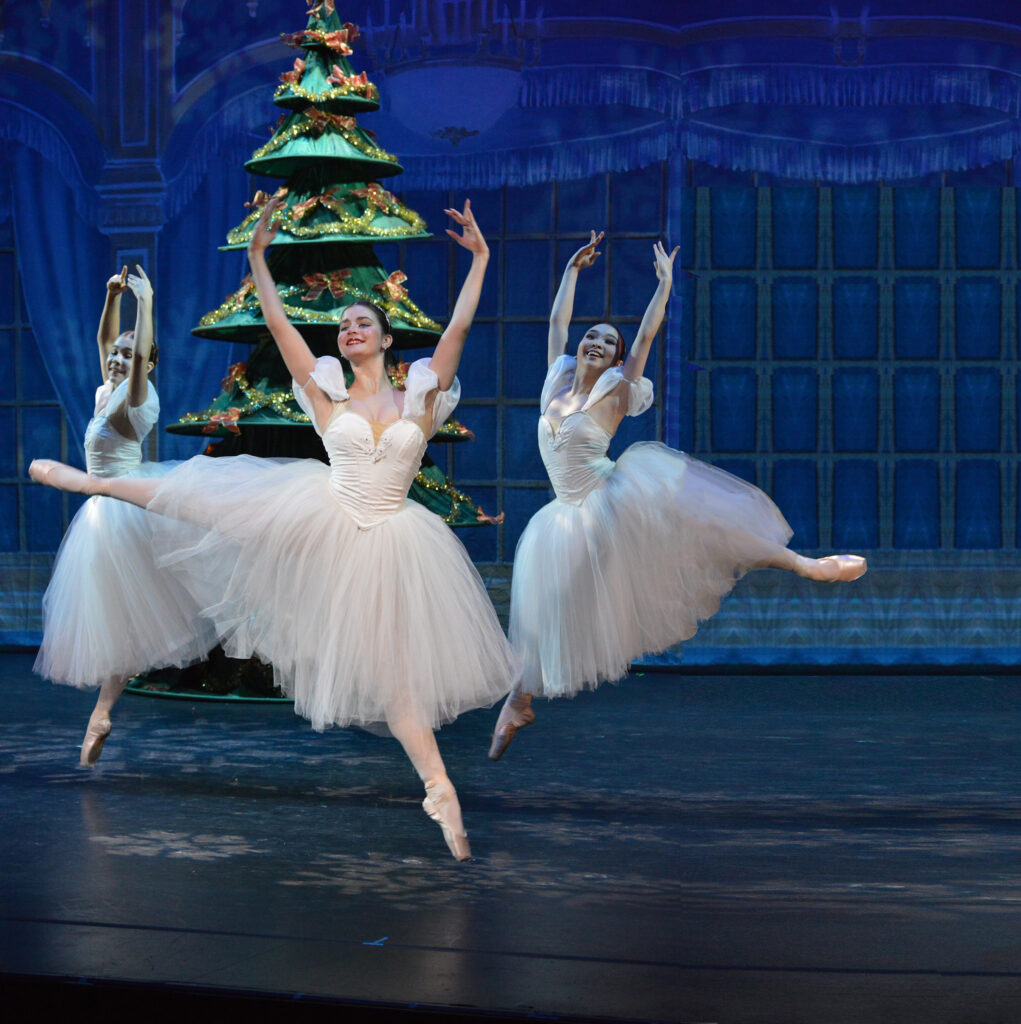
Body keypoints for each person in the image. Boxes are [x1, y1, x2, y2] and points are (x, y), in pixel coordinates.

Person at [31, 199, 518, 861]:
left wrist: (481, 260)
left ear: (384, 338)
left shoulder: (422, 396)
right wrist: (259, 260)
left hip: (393, 543)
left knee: (395, 681)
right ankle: (97, 483)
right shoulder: (325, 393)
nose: (348, 329)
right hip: (323, 515)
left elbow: (459, 329)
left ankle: (438, 789)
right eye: (343, 324)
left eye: (361, 322)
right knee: (204, 499)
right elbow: (281, 326)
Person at [489, 231, 866, 760]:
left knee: (711, 527)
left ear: (615, 357)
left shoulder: (618, 389)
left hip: (609, 498)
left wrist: (663, 287)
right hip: (564, 516)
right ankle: (519, 701)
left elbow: (644, 339)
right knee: (541, 609)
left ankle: (805, 564)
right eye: (590, 337)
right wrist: (572, 272)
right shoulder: (557, 378)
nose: (595, 343)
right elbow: (556, 323)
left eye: (606, 341)